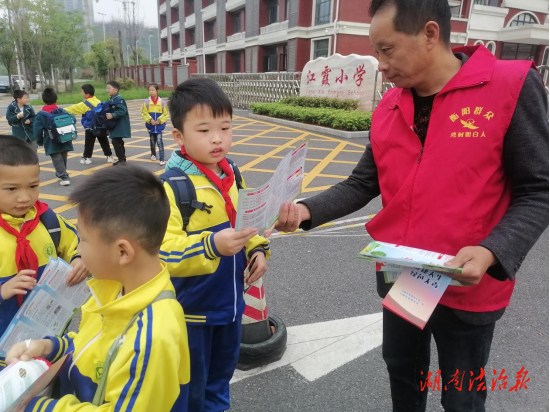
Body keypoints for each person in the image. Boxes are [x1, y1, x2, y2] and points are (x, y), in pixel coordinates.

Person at [269, 1, 549, 411]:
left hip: (467, 279)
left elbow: (538, 189)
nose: (379, 64)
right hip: (405, 271)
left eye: (387, 49)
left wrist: (492, 251)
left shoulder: (510, 87)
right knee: (402, 370)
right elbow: (364, 182)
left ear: (430, 35)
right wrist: (305, 211)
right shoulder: (390, 106)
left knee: (461, 395)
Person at [5, 165, 191, 411]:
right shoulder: (111, 288)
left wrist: (36, 407)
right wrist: (47, 347)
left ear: (122, 251)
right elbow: (88, 343)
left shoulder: (151, 339)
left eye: (83, 240)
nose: (78, 250)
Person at [161, 78, 271, 412]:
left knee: (220, 381)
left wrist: (257, 248)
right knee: (191, 389)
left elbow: (245, 219)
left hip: (231, 304)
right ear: (179, 136)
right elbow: (164, 253)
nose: (218, 139)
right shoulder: (170, 188)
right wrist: (210, 245)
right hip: (192, 312)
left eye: (225, 127)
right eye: (205, 130)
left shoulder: (232, 172)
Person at [0, 136, 88, 371]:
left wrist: (79, 258)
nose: (25, 197)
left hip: (43, 339)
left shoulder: (48, 221)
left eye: (33, 186)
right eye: (11, 189)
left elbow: (77, 243)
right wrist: (2, 290)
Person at [33, 88, 76, 187]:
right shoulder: (62, 111)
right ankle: (62, 173)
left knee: (57, 158)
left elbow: (37, 130)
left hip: (51, 140)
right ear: (56, 100)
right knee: (63, 157)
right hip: (65, 137)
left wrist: (39, 141)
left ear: (43, 100)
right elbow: (73, 119)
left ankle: (64, 177)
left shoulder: (41, 115)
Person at [64, 83, 114, 165]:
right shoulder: (99, 102)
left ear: (86, 94)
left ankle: (87, 158)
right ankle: (109, 156)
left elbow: (71, 109)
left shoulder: (84, 104)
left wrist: (59, 111)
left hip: (90, 127)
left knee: (89, 142)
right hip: (101, 126)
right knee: (104, 141)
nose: (81, 93)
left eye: (82, 92)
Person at [141, 84, 170, 166]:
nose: (151, 92)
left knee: (160, 141)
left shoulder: (162, 102)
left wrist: (159, 120)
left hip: (159, 126)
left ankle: (162, 159)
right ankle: (153, 154)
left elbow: (166, 113)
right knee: (152, 141)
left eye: (153, 90)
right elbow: (143, 113)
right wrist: (150, 120)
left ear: (157, 91)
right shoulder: (146, 102)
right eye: (149, 90)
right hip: (150, 126)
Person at [105, 81, 131, 166]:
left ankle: (122, 160)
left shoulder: (119, 100)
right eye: (107, 88)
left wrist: (112, 115)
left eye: (109, 88)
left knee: (116, 141)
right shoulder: (113, 99)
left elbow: (123, 111)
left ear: (116, 90)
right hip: (116, 124)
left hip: (119, 125)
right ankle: (122, 159)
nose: (107, 90)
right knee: (118, 141)